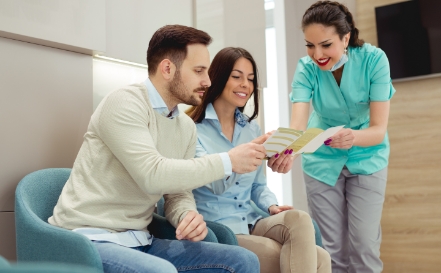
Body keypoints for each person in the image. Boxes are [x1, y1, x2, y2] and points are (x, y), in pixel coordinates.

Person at [48, 25, 267, 273]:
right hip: (89, 240)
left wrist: (186, 215)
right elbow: (152, 175)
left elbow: (177, 193)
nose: (207, 81)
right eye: (198, 71)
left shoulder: (185, 126)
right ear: (167, 69)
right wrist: (227, 161)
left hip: (141, 240)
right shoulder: (124, 103)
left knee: (243, 261)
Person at [270, 1, 395, 272]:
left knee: (364, 247)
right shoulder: (306, 69)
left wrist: (353, 137)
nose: (317, 54)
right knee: (330, 251)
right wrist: (286, 150)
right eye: (310, 45)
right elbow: (298, 124)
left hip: (367, 157)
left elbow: (378, 130)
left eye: (326, 45)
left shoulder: (374, 60)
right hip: (322, 160)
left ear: (346, 37)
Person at [187, 47, 331, 273]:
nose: (245, 84)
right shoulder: (192, 130)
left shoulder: (251, 128)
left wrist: (271, 206)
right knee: (314, 258)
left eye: (250, 79)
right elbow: (216, 183)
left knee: (301, 221)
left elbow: (257, 186)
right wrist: (248, 151)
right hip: (219, 227)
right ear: (218, 78)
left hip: (252, 220)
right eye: (236, 76)